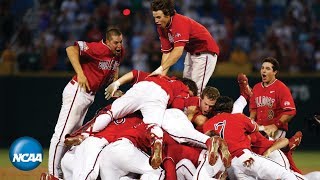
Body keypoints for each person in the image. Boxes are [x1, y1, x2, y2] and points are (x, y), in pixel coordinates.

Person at [45, 28, 125, 179]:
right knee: (62, 134)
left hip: (89, 95)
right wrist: (81, 73)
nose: (119, 45)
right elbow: (70, 49)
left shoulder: (118, 52)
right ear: (107, 42)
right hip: (78, 91)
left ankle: (62, 172)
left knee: (72, 137)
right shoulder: (98, 48)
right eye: (116, 42)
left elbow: (115, 65)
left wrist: (114, 83)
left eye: (121, 42)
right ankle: (52, 174)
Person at [203, 96, 299, 179]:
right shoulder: (238, 117)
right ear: (231, 109)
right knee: (285, 174)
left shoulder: (206, 125)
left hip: (229, 168)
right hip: (244, 158)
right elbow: (255, 128)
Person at [149, 0, 220, 95]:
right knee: (186, 89)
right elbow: (166, 52)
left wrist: (161, 69)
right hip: (191, 53)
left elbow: (178, 51)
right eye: (154, 17)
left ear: (168, 14)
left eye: (158, 17)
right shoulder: (161, 27)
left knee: (195, 91)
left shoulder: (178, 22)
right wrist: (161, 76)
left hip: (205, 53)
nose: (156, 21)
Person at [249, 57, 297, 140]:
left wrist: (276, 125)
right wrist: (251, 120)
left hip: (276, 130)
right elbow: (253, 109)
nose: (263, 71)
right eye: (262, 68)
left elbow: (290, 111)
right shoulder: (256, 87)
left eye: (267, 69)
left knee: (269, 152)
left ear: (275, 72)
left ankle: (289, 148)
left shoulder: (281, 88)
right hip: (259, 128)